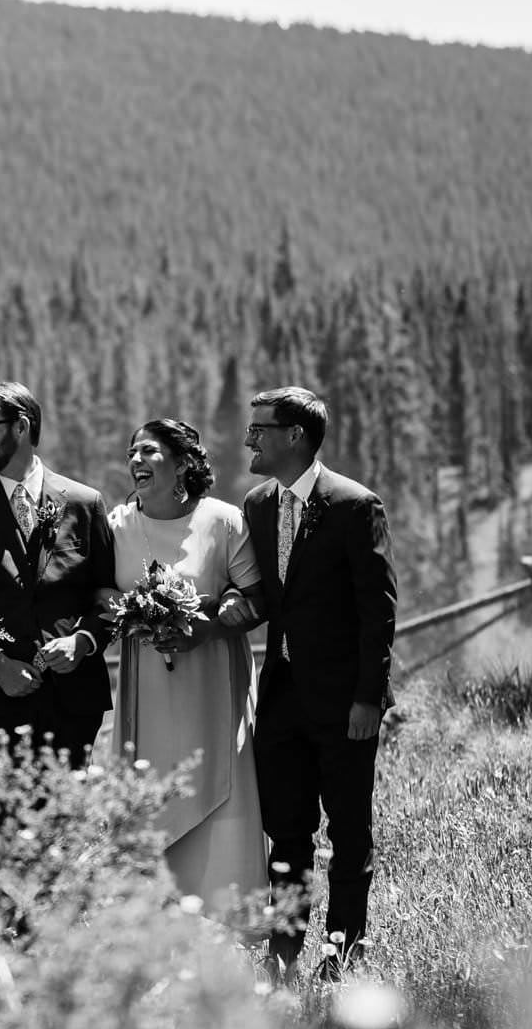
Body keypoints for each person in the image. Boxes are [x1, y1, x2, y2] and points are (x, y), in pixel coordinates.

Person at [242, 386, 397, 982]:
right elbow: (261, 594)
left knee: (350, 830)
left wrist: (368, 698)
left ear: (296, 436)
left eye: (260, 429)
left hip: (343, 703)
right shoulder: (256, 505)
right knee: (285, 829)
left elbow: (377, 611)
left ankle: (344, 945)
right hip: (280, 699)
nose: (251, 439)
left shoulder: (356, 506)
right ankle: (284, 944)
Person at [106, 418, 268, 912]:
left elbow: (255, 597)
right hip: (147, 690)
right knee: (151, 790)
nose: (136, 460)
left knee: (217, 781)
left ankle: (224, 915)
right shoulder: (117, 526)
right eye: (132, 452)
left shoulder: (222, 521)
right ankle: (154, 916)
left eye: (150, 452)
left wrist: (214, 623)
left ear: (182, 464)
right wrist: (132, 615)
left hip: (212, 682)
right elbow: (98, 594)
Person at [0, 381, 116, 782]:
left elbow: (107, 595)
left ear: (21, 426)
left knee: (67, 830)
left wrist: (81, 642)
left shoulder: (85, 503)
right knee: (3, 828)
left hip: (73, 699)